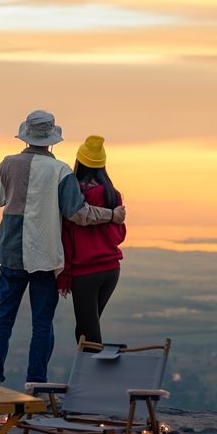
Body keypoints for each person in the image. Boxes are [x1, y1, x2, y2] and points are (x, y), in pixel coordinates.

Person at [0, 111, 126, 384]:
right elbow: (77, 214)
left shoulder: (7, 164)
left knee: (3, 321)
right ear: (51, 140)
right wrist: (111, 215)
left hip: (10, 253)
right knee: (42, 324)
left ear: (25, 136)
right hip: (45, 255)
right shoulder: (61, 170)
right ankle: (36, 383)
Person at [57, 136, 126, 346]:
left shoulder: (75, 196)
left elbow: (67, 241)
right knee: (87, 329)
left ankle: (96, 375)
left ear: (79, 162)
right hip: (111, 270)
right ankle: (90, 375)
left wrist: (64, 277)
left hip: (85, 273)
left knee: (87, 334)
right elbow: (120, 235)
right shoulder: (114, 195)